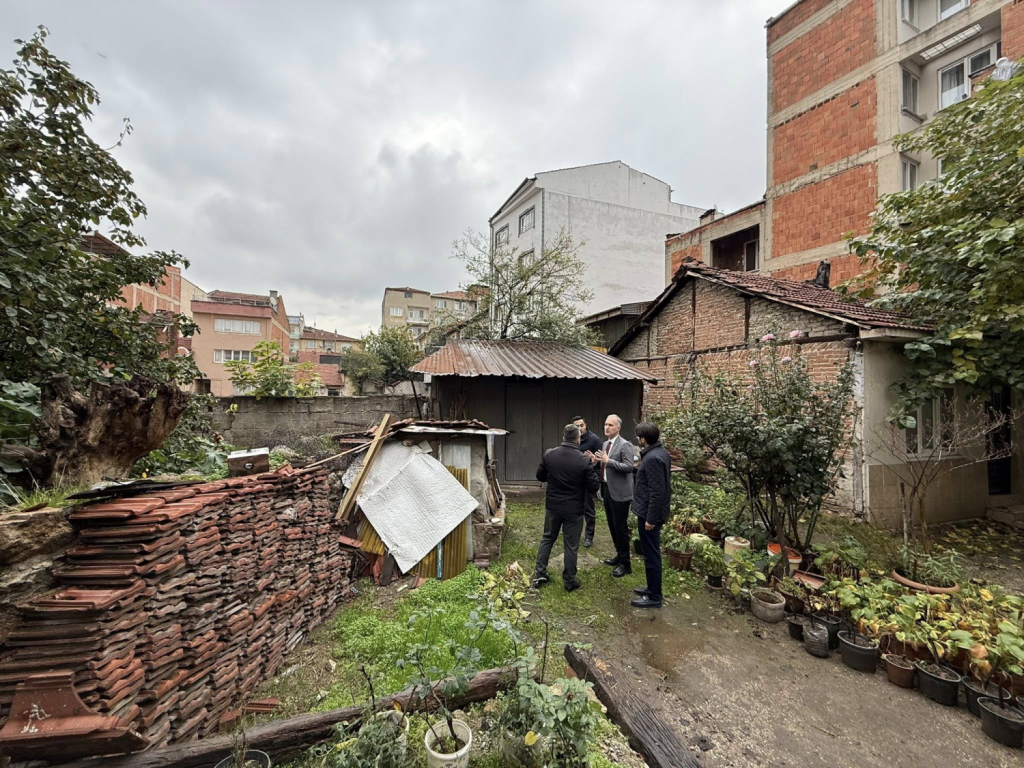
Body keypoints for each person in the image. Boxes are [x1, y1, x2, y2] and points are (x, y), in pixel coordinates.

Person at [533, 423, 601, 592]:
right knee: (571, 545)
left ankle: (539, 573)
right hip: (574, 509)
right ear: (578, 439)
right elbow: (593, 487)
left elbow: (540, 476)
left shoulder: (550, 454)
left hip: (553, 506)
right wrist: (591, 466)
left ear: (564, 437)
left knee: (548, 538)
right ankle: (569, 580)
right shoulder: (584, 460)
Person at [588, 414, 637, 578]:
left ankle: (626, 564)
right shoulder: (605, 443)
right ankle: (619, 555)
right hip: (607, 489)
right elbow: (605, 464)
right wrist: (596, 461)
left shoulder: (625, 445)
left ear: (618, 428)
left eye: (610, 425)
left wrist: (608, 461)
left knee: (621, 528)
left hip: (621, 493)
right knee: (612, 526)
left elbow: (629, 467)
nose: (606, 427)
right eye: (605, 424)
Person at [630, 421, 671, 608]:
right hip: (649, 511)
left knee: (652, 555)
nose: (638, 440)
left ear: (643, 439)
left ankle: (654, 596)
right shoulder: (659, 452)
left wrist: (650, 519)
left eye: (639, 437)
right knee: (649, 553)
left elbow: (657, 492)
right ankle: (651, 588)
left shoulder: (653, 458)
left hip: (650, 514)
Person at [572, 416, 602, 548]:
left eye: (581, 425)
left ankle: (589, 536)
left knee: (588, 508)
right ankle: (573, 533)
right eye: (576, 426)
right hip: (574, 477)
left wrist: (594, 461)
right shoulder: (572, 439)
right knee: (572, 507)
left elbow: (602, 460)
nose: (579, 428)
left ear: (586, 425)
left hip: (588, 477)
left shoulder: (594, 440)